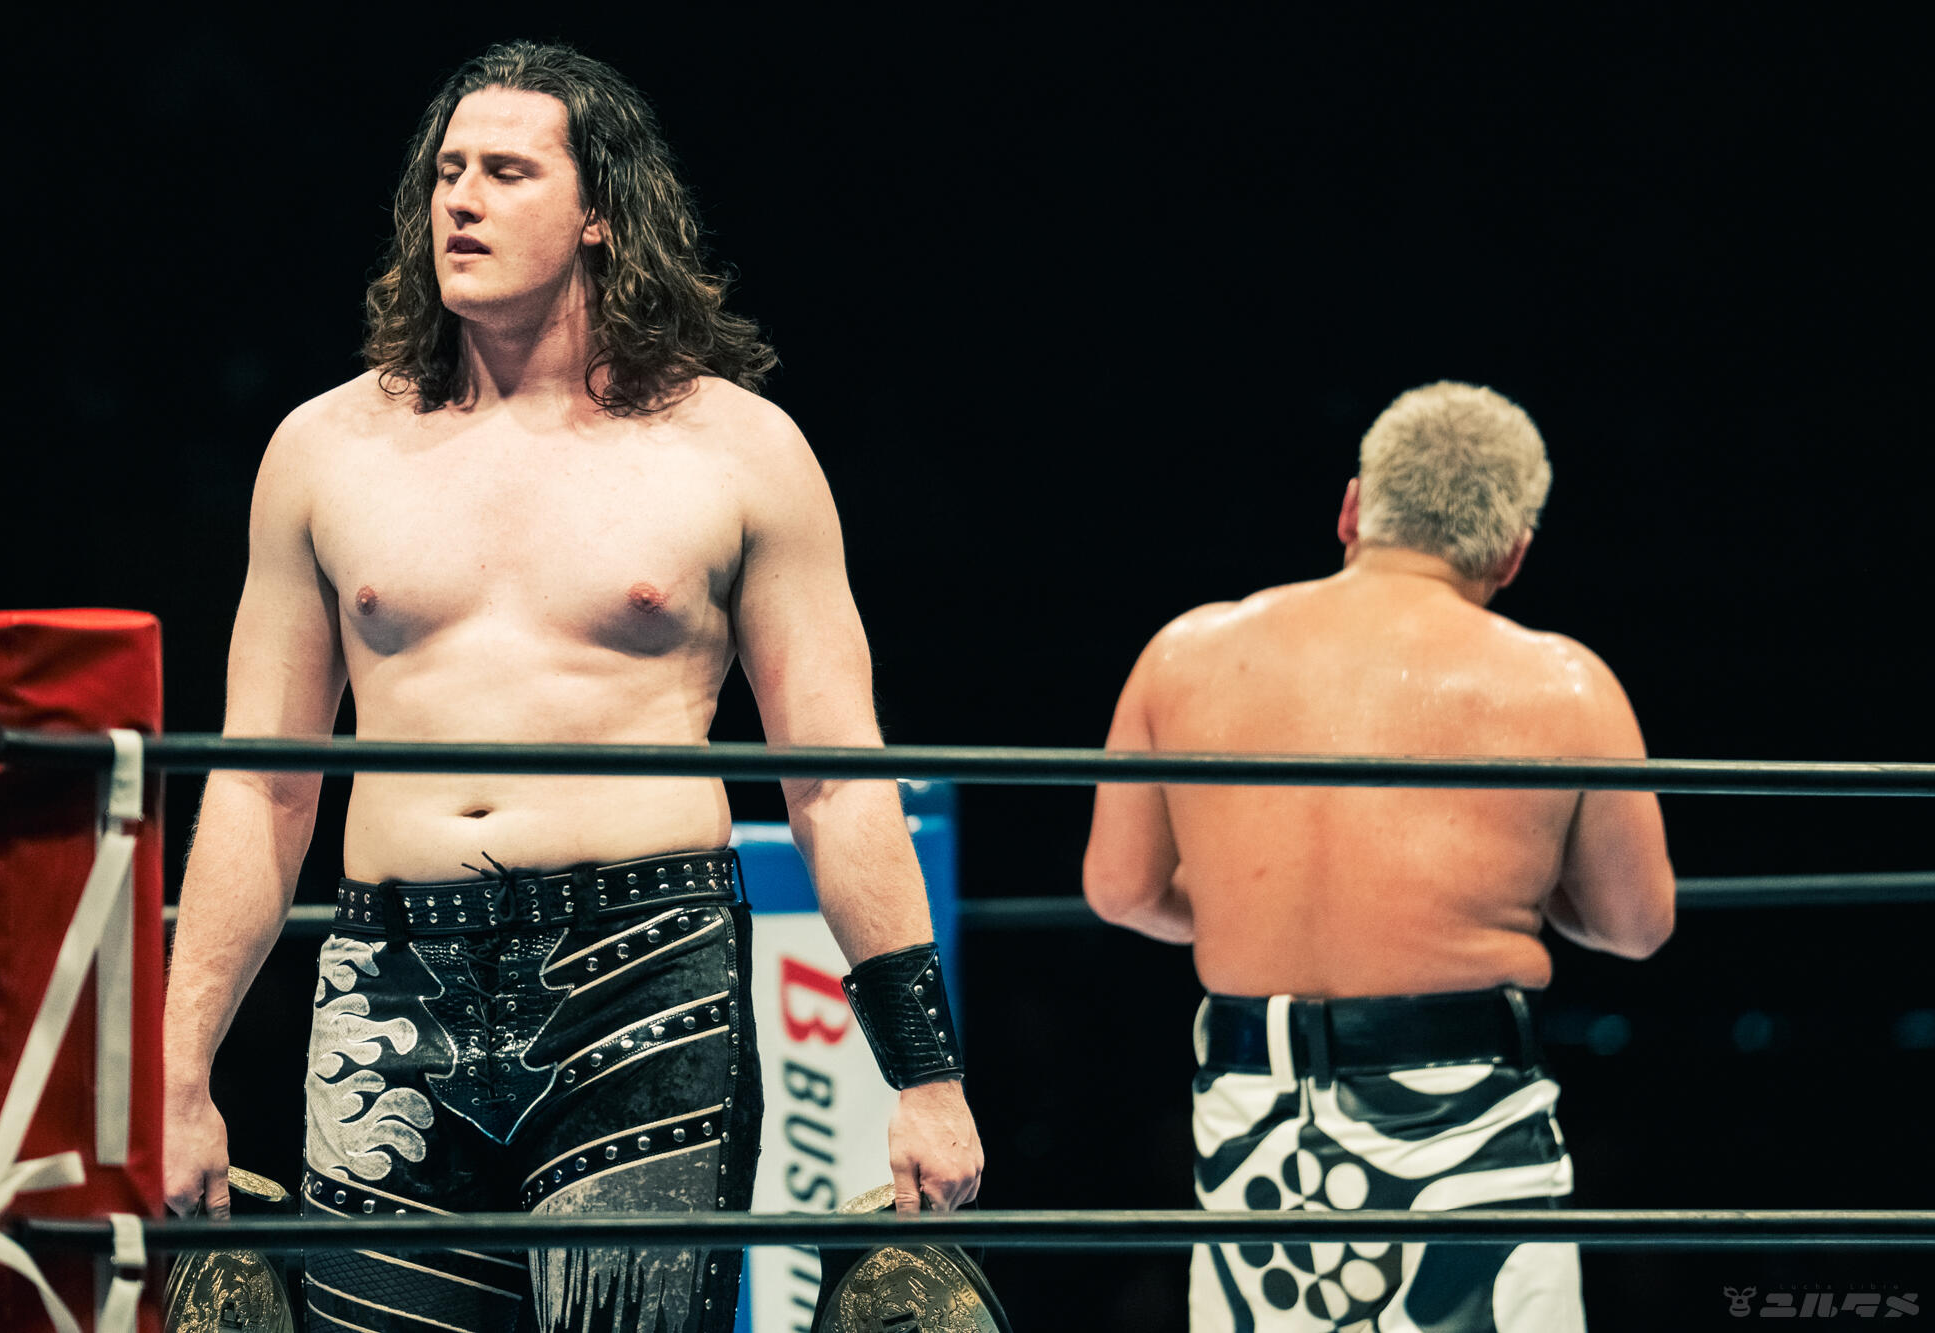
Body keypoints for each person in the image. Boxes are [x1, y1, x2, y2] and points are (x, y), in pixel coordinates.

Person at [163, 40, 982, 1333]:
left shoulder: (738, 452)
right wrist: (175, 1071)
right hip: (392, 977)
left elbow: (836, 783)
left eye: (505, 171)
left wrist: (924, 1079)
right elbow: (260, 782)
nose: (460, 201)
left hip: (644, 978)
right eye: (446, 173)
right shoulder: (324, 451)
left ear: (601, 210)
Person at [1083, 381, 1674, 1332]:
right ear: (1513, 554)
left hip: (1253, 1129)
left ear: (1353, 508)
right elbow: (1636, 924)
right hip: (1469, 1129)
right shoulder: (1568, 685)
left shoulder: (1183, 653)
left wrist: (1255, 905)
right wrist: (1526, 885)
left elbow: (1120, 890)